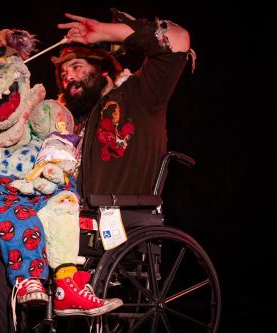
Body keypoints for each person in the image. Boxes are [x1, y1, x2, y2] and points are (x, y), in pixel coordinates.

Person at [46, 7, 193, 315]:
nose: (67, 76)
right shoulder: (69, 124)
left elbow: (178, 40)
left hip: (116, 215)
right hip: (69, 217)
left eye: (75, 66)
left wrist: (103, 32)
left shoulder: (138, 96)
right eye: (62, 73)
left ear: (102, 70)